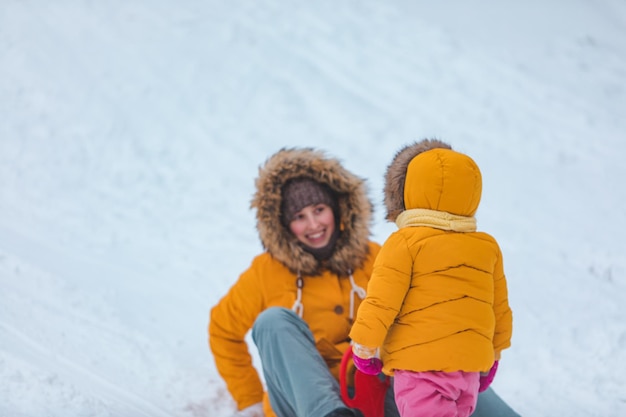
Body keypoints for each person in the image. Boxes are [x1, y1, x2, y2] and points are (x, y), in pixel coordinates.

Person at [208, 146, 520, 417]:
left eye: (319, 210)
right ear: (283, 225)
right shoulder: (266, 271)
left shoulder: (375, 256)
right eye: (300, 216)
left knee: (439, 358)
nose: (313, 224)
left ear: (337, 210)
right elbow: (223, 329)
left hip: (380, 392)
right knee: (274, 321)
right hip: (309, 404)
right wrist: (249, 399)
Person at [349, 139, 514, 417]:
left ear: (410, 190)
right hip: (469, 370)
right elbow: (499, 308)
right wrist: (494, 356)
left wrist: (364, 348)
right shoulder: (487, 247)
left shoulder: (405, 242)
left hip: (420, 369)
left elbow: (381, 302)